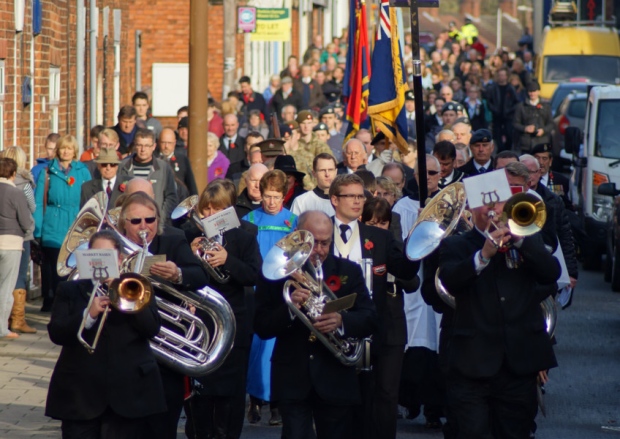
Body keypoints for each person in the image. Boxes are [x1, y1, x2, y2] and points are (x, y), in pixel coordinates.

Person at [438, 172, 560, 439]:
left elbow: (551, 273)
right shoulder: (456, 245)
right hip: (473, 363)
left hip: (518, 362)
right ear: (471, 207)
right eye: (486, 203)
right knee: (472, 433)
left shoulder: (527, 241)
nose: (494, 209)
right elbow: (450, 280)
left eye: (501, 202)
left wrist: (520, 241)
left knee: (515, 432)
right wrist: (482, 256)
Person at [254, 210, 377, 439]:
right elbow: (261, 325)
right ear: (299, 237)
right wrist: (291, 310)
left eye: (325, 243)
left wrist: (342, 321)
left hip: (335, 376)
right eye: (314, 243)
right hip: (292, 376)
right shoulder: (275, 273)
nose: (319, 250)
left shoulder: (348, 271)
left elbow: (370, 317)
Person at [45, 229, 166, 439]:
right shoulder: (69, 290)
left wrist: (123, 295)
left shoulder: (137, 287)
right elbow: (57, 333)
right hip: (80, 397)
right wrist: (87, 315)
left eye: (107, 256)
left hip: (128, 396)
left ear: (119, 259)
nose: (100, 261)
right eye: (95, 255)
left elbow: (151, 329)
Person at [329, 174, 420, 439]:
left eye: (361, 196)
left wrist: (417, 245)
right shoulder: (321, 230)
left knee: (380, 398)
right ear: (335, 200)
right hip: (331, 329)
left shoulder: (378, 237)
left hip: (375, 327)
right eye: (352, 196)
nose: (358, 201)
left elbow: (403, 267)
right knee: (342, 402)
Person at [117, 192, 208, 439]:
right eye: (136, 222)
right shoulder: (111, 245)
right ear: (124, 222)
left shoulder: (173, 240)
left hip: (165, 358)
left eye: (150, 219)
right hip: (123, 352)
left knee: (162, 429)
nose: (144, 227)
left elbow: (200, 276)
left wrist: (177, 273)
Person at [184, 181, 261, 439]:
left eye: (216, 211)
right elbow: (178, 275)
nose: (208, 216)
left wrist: (228, 261)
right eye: (205, 210)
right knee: (200, 393)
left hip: (233, 326)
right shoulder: (188, 235)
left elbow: (253, 274)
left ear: (228, 211)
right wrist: (191, 256)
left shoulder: (244, 236)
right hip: (200, 327)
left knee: (231, 394)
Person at [243, 170, 298, 426]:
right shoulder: (250, 219)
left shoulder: (293, 222)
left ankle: (275, 402)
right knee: (255, 348)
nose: (272, 202)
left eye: (277, 196)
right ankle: (254, 399)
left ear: (284, 195)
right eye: (267, 196)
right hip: (256, 290)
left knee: (277, 349)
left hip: (282, 289)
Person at [34, 135, 92, 312]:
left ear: (75, 151)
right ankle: (54, 302)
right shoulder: (48, 172)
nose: (66, 151)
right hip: (53, 226)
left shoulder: (82, 171)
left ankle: (73, 304)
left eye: (69, 148)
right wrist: (37, 230)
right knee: (54, 270)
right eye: (62, 148)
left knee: (74, 267)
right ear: (57, 150)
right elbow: (38, 203)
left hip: (76, 226)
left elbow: (89, 200)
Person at [0, 158, 34, 340]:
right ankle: (2, 329)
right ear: (13, 174)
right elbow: (26, 221)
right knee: (6, 287)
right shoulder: (16, 193)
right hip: (11, 243)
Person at [117, 129, 178, 221]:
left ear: (154, 146)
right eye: (139, 145)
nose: (143, 149)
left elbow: (171, 196)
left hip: (155, 223)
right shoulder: (122, 166)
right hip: (129, 222)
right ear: (135, 145)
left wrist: (159, 217)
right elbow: (116, 196)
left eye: (147, 146)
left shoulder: (163, 168)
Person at [513, 81, 554, 153]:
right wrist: (525, 128)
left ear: (538, 91)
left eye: (534, 91)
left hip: (542, 142)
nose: (532, 94)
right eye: (530, 91)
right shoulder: (521, 106)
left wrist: (543, 130)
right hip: (526, 143)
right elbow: (515, 123)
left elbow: (551, 123)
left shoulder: (546, 106)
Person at [486, 68, 519, 152]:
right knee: (497, 134)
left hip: (508, 116)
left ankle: (508, 149)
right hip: (497, 116)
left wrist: (510, 110)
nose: (501, 77)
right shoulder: (493, 88)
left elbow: (516, 102)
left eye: (503, 75)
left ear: (506, 76)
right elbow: (489, 101)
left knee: (509, 133)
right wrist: (494, 109)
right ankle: (500, 150)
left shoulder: (511, 88)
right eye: (500, 75)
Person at [158, 127, 198, 196]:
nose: (166, 146)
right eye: (163, 142)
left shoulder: (182, 159)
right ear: (158, 142)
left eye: (169, 143)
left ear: (174, 143)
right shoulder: (154, 159)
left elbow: (191, 186)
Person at [219, 114, 247, 180]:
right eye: (227, 125)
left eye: (232, 125)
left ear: (237, 125)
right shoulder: (216, 144)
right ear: (223, 125)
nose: (230, 128)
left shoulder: (244, 143)